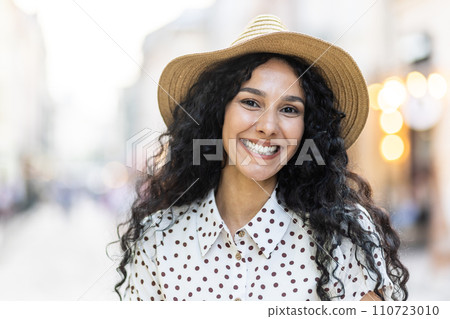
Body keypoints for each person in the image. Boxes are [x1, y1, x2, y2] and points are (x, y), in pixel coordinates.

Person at [115, 15, 409, 301]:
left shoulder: (343, 236)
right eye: (251, 102)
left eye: (290, 109)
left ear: (307, 127)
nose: (268, 126)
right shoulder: (158, 239)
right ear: (218, 113)